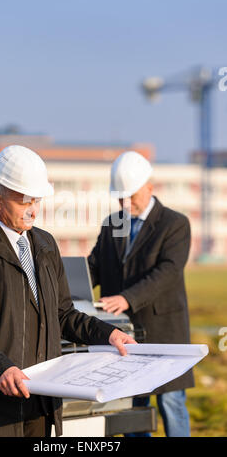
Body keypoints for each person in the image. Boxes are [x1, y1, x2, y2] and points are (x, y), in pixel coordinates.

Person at [0, 145, 136, 438]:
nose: (32, 209)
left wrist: (107, 333)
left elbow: (64, 314)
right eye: (23, 202)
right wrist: (0, 368)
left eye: (36, 200)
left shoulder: (45, 245)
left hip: (41, 403)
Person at [88, 151, 194, 437]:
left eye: (131, 196)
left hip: (164, 330)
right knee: (132, 406)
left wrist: (126, 298)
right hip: (125, 333)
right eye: (120, 197)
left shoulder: (175, 224)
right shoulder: (113, 224)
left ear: (150, 186)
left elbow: (168, 272)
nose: (125, 203)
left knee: (171, 402)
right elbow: (95, 266)